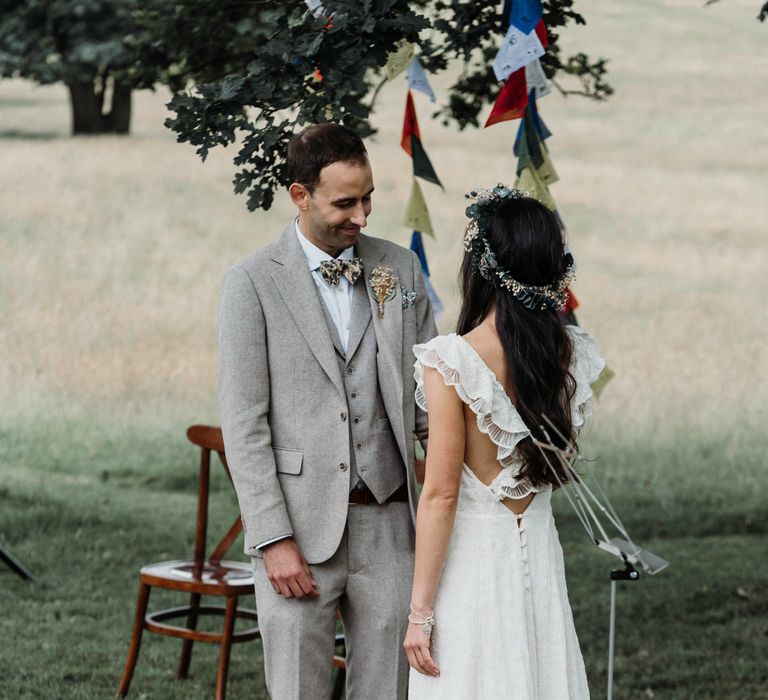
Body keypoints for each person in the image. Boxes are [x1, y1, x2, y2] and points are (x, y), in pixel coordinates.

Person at [218, 123, 437, 699]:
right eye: (345, 203)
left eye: (368, 199)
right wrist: (272, 539)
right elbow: (245, 426)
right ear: (300, 195)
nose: (362, 216)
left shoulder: (398, 269)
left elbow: (426, 404)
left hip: (390, 523)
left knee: (389, 690)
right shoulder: (251, 283)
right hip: (297, 530)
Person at [404, 187, 605, 699]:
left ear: (482, 267)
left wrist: (420, 613)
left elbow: (442, 493)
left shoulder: (451, 360)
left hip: (472, 567)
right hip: (538, 547)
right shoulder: (568, 355)